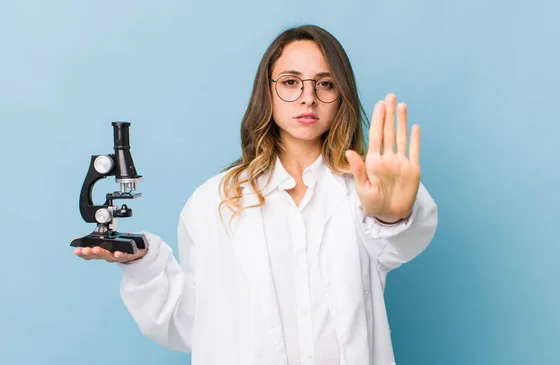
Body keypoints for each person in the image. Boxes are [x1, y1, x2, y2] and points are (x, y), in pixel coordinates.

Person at [73, 24, 438, 365]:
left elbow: (400, 243)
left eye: (325, 84)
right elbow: (192, 325)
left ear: (341, 95)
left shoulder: (364, 189)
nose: (307, 98)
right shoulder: (214, 201)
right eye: (291, 81)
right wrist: (142, 264)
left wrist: (389, 215)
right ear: (267, 90)